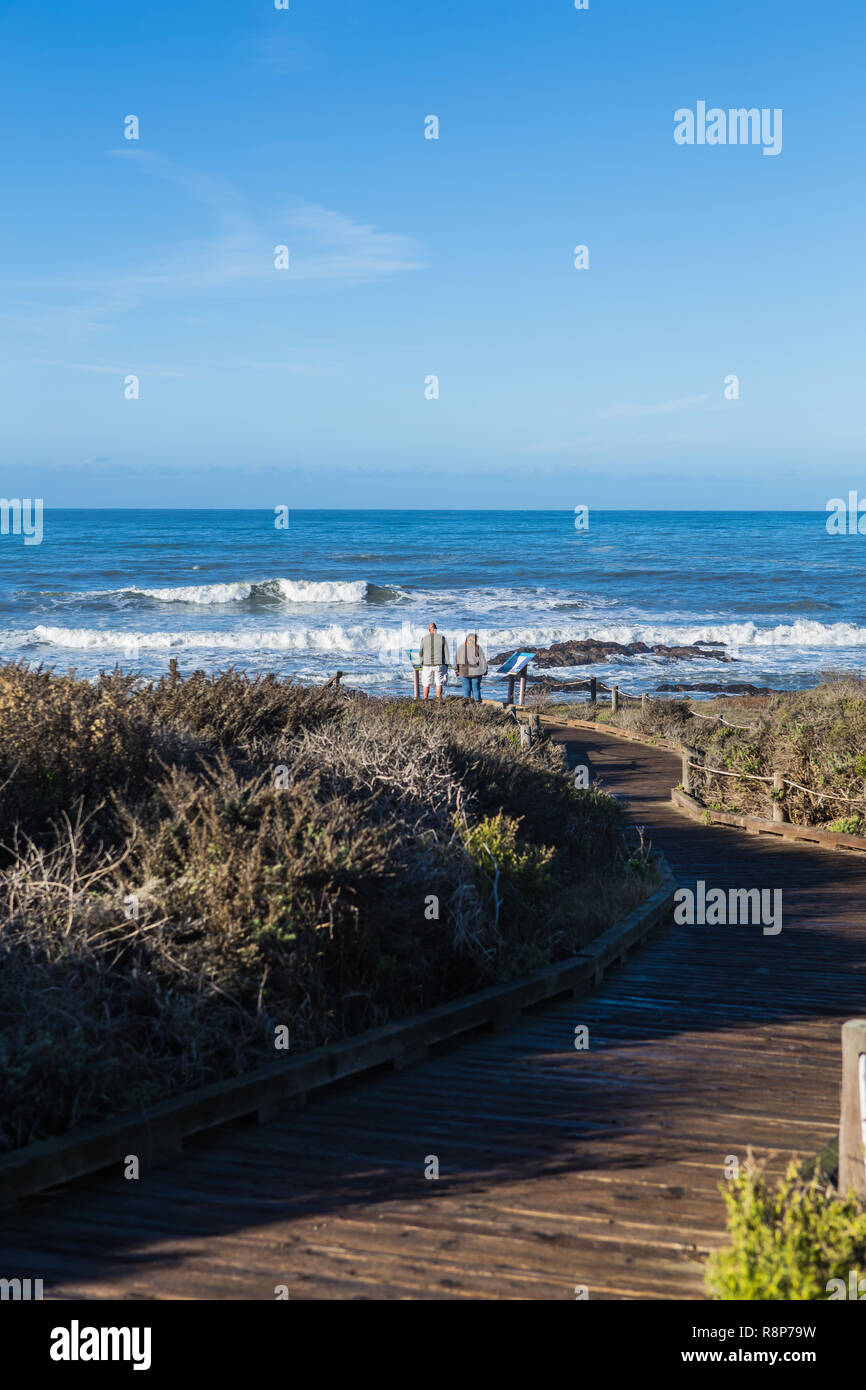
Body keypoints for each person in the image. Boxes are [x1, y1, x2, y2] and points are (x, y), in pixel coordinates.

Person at [454, 631, 488, 702]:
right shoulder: (478, 648)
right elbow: (483, 661)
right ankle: (478, 706)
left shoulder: (461, 648)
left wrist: (456, 670)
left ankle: (467, 706)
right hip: (476, 672)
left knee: (466, 690)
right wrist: (485, 670)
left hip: (464, 672)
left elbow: (456, 660)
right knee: (476, 689)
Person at [419, 622, 449, 700]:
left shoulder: (424, 638)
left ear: (429, 630)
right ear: (436, 629)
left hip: (427, 664)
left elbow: (421, 653)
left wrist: (421, 663)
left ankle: (425, 699)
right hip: (439, 664)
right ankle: (438, 699)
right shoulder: (442, 638)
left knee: (426, 684)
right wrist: (447, 664)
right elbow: (446, 652)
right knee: (439, 683)